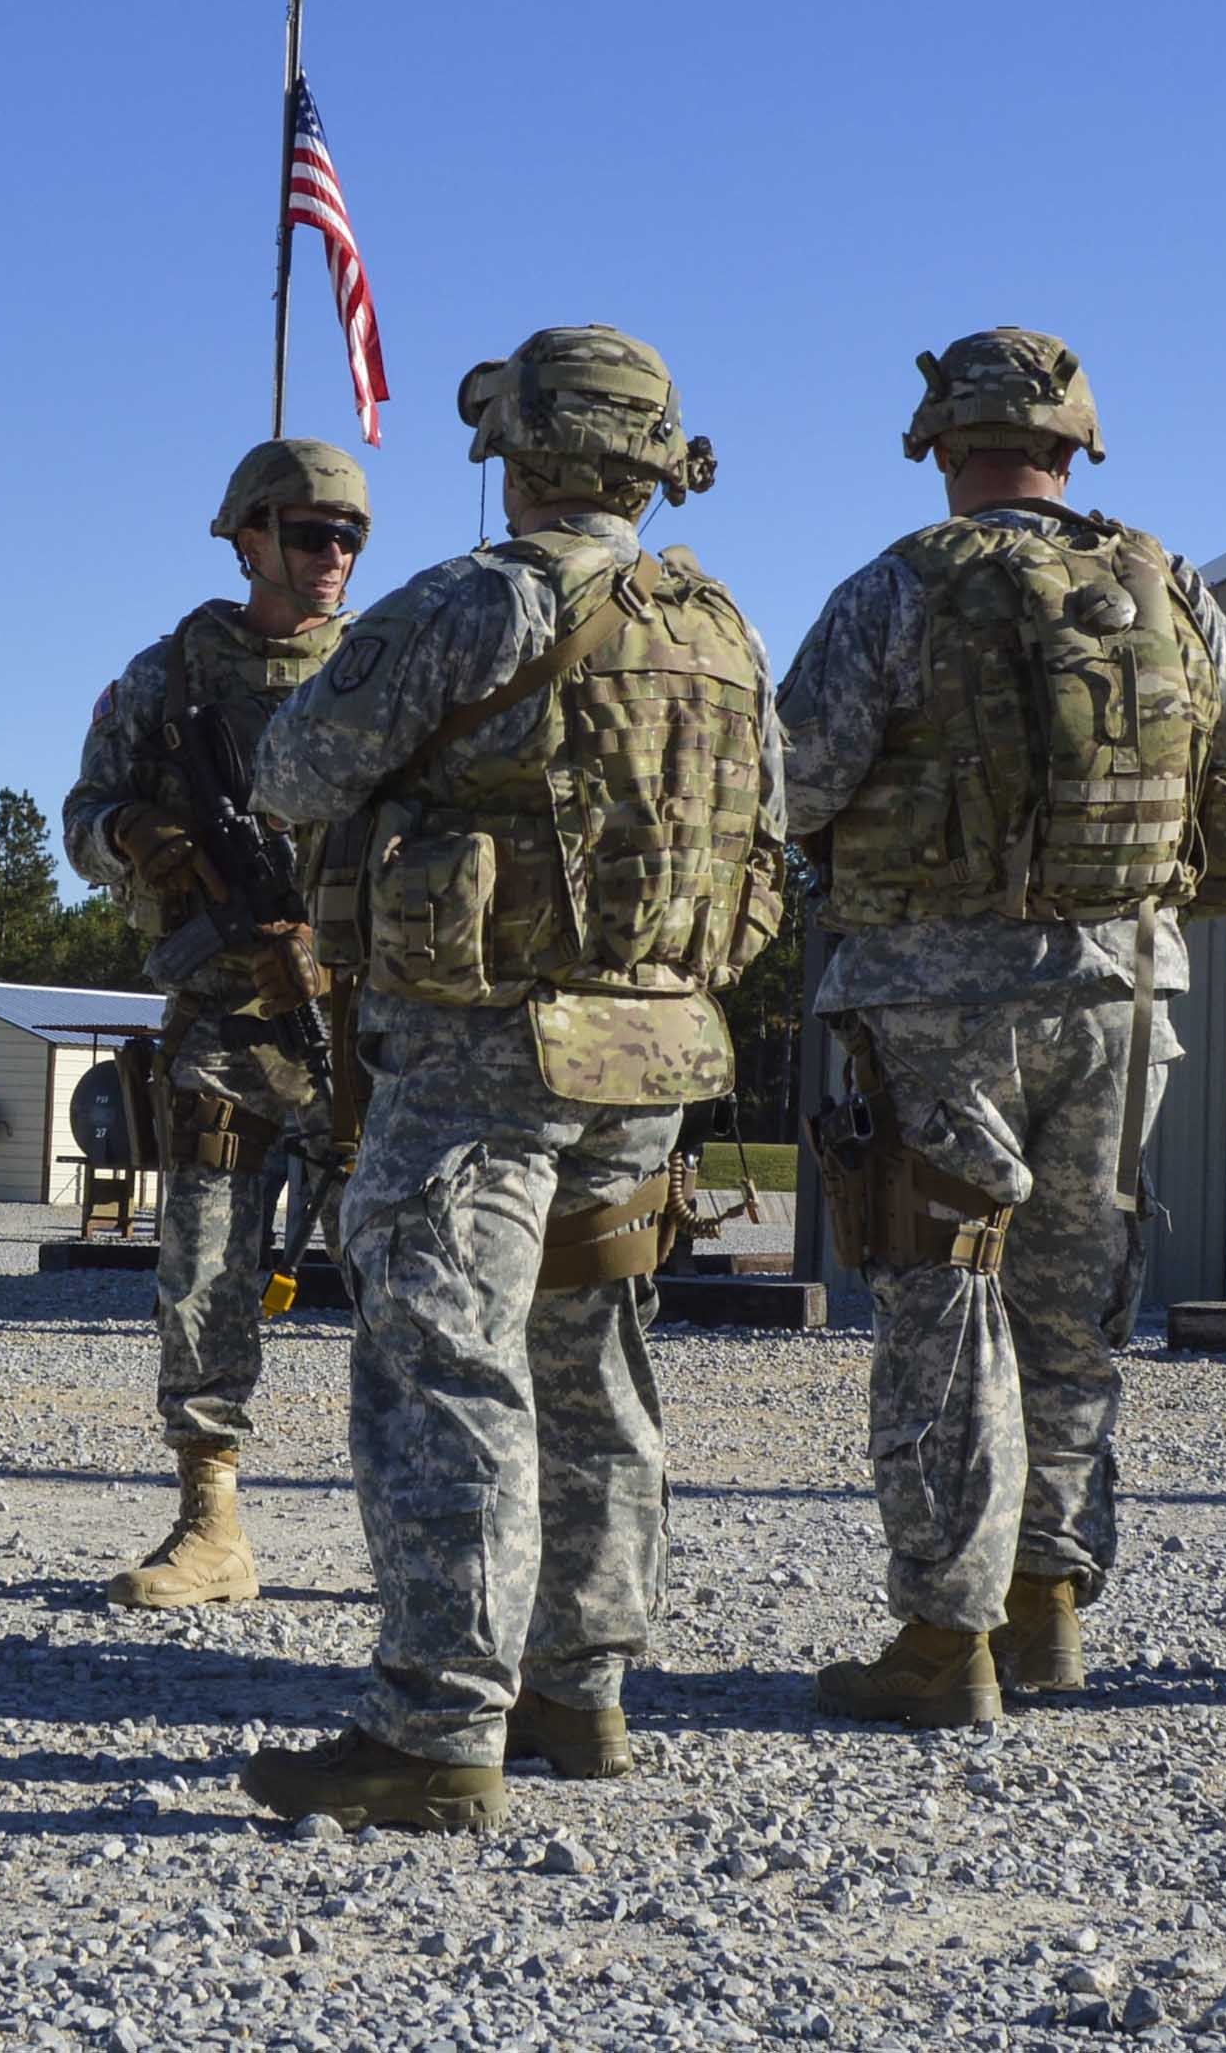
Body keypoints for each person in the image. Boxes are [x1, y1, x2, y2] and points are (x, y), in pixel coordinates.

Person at [232, 326, 785, 1833]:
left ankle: (433, 1728)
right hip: (652, 1051)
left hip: (483, 1052)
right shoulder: (721, 624)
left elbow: (291, 770)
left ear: (520, 448)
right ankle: (579, 1688)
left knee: (442, 1368)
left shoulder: (482, 600)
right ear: (652, 458)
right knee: (594, 1363)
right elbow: (767, 837)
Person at [776, 329, 1226, 1728]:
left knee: (943, 1300)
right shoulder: (1160, 580)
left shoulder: (900, 585)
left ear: (942, 447)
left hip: (935, 998)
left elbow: (793, 773)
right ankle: (1045, 1603)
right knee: (1073, 1302)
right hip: (1124, 992)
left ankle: (943, 1641)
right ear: (1077, 448)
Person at [61, 437, 372, 1609]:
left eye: (347, 535)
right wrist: (134, 834)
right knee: (202, 1266)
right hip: (226, 1019)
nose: (330, 555)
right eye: (306, 533)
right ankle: (211, 1523)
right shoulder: (168, 678)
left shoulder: (391, 665)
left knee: (406, 1270)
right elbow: (80, 815)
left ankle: (420, 1530)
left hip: (366, 1015)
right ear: (247, 539)